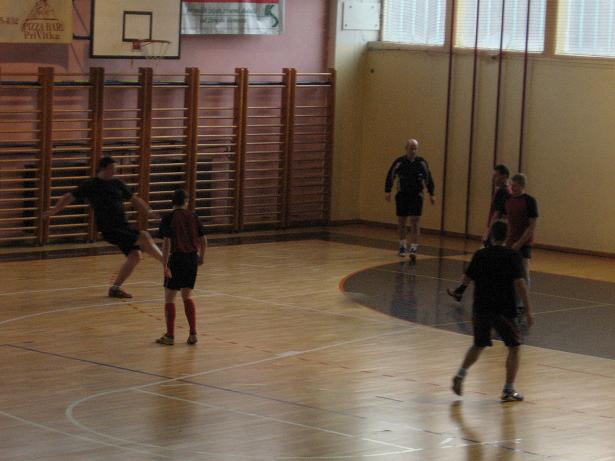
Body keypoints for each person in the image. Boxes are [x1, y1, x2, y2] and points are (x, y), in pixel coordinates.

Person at [43, 156, 167, 299]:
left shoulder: (117, 183)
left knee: (135, 256)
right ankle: (168, 265)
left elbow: (135, 200)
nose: (115, 172)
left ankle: (115, 289)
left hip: (123, 226)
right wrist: (54, 210)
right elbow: (68, 197)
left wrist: (149, 211)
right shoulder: (90, 184)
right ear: (103, 168)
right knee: (144, 236)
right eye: (112, 169)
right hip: (109, 228)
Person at [451, 221, 534, 402]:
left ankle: (460, 374)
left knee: (478, 344)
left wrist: (460, 291)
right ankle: (508, 389)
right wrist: (528, 310)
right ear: (507, 235)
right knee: (514, 347)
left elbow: (466, 279)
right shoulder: (512, 256)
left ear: (491, 235)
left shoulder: (480, 255)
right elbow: (520, 284)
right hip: (503, 310)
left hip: (480, 308)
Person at [447, 164, 512, 302]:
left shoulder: (502, 192)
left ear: (504, 176)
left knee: (477, 260)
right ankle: (461, 290)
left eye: (496, 176)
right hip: (500, 232)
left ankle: (462, 290)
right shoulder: (507, 190)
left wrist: (488, 232)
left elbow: (497, 214)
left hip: (495, 233)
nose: (494, 178)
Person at [156, 189, 207, 346]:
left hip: (177, 259)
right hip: (191, 259)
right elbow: (203, 240)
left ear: (172, 202)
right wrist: (201, 257)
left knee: (169, 298)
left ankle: (170, 336)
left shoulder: (168, 218)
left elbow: (167, 243)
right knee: (187, 296)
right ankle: (193, 334)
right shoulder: (194, 216)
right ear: (186, 201)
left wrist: (165, 265)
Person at [384, 139, 435, 259]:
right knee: (402, 221)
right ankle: (402, 247)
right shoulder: (399, 162)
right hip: (402, 195)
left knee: (415, 222)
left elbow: (428, 177)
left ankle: (413, 249)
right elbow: (391, 175)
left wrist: (431, 193)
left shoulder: (421, 162)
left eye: (415, 149)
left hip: (416, 195)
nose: (413, 151)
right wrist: (388, 190)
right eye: (411, 148)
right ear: (406, 148)